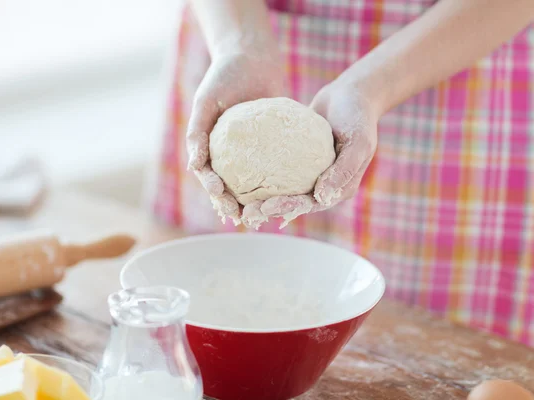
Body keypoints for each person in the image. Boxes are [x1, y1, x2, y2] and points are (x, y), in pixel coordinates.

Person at [146, 0, 534, 346]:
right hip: (236, 37)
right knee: (227, 312)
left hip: (452, 59)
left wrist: (370, 87)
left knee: (422, 343)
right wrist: (239, 44)